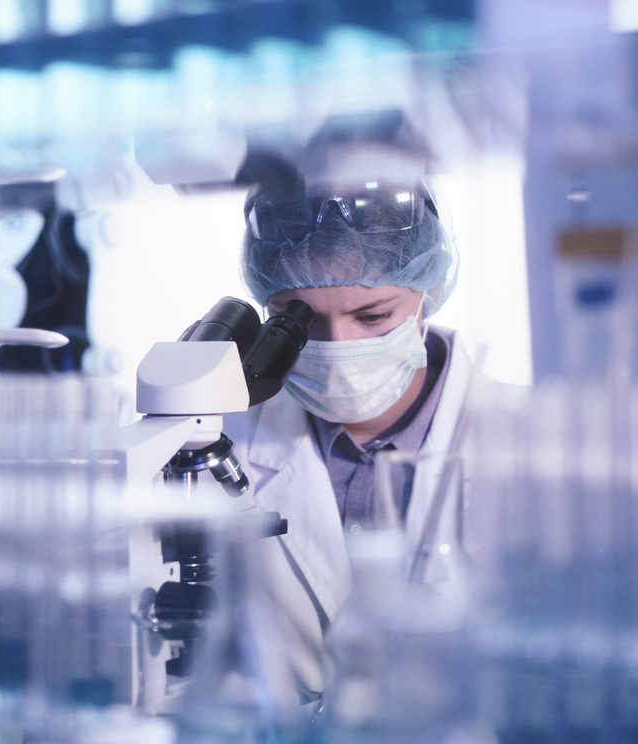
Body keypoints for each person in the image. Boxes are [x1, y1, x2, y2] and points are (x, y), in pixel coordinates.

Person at [222, 112, 492, 702]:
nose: (340, 348)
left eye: (373, 317)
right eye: (303, 322)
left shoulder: (530, 441)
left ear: (428, 292)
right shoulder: (221, 446)